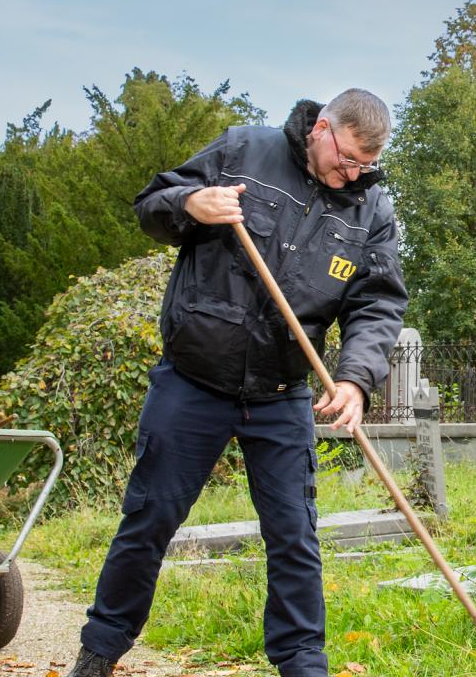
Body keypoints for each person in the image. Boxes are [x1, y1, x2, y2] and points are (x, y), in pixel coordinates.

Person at [70, 90, 407, 677]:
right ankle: (99, 652)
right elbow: (152, 204)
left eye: (364, 166)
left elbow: (376, 305)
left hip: (281, 393)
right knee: (149, 519)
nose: (351, 173)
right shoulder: (243, 150)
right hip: (193, 381)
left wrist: (354, 380)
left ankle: (304, 667)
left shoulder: (370, 209)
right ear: (322, 128)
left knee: (295, 540)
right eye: (346, 158)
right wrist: (191, 203)